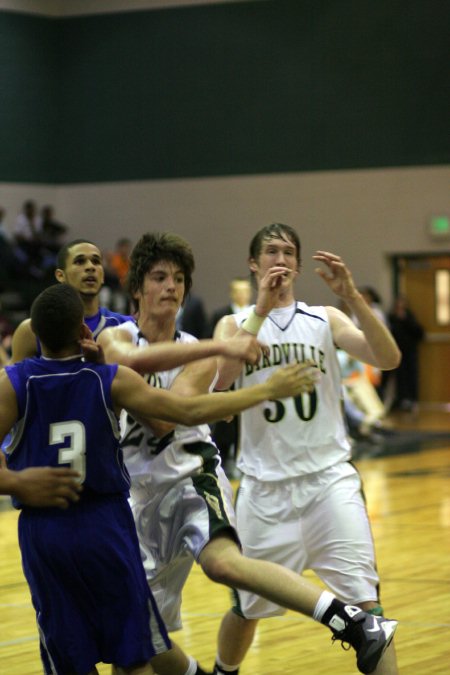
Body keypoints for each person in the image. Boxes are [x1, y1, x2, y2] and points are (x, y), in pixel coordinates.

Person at [98, 232, 398, 675]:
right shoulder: (202, 333)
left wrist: (351, 296)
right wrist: (239, 338)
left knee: (231, 567)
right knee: (143, 636)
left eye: (179, 279)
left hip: (216, 477)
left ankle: (352, 623)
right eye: (160, 277)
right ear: (137, 287)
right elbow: (160, 380)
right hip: (157, 492)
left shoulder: (313, 319)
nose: (171, 287)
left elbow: (168, 418)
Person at [1, 282, 321, 675]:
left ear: (35, 337)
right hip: (106, 527)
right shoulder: (111, 378)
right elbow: (188, 411)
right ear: (84, 332)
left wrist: (16, 483)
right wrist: (266, 390)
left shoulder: (13, 383)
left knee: (69, 657)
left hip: (45, 532)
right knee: (135, 658)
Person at [212, 223, 402, 675]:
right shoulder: (233, 324)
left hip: (328, 483)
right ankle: (224, 670)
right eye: (271, 252)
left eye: (288, 252)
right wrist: (258, 309)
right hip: (264, 488)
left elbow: (389, 358)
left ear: (298, 265)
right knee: (246, 609)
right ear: (253, 264)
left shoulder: (326, 318)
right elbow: (220, 386)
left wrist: (352, 296)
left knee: (368, 612)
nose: (280, 259)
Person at [9, 238, 134, 363]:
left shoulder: (125, 327)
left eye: (96, 261)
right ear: (60, 276)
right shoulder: (32, 330)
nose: (90, 267)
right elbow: (10, 380)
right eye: (80, 261)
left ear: (102, 276)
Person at [208, 277, 253, 477]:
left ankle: (244, 460)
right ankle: (223, 460)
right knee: (225, 424)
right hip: (227, 378)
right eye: (238, 290)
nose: (242, 294)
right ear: (232, 293)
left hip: (249, 380)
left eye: (245, 290)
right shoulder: (222, 317)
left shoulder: (257, 316)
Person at [388, 294, 424, 412]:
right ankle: (402, 399)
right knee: (400, 377)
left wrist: (405, 320)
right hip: (396, 351)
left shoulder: (410, 317)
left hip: (410, 351)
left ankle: (413, 400)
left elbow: (419, 333)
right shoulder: (391, 317)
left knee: (412, 375)